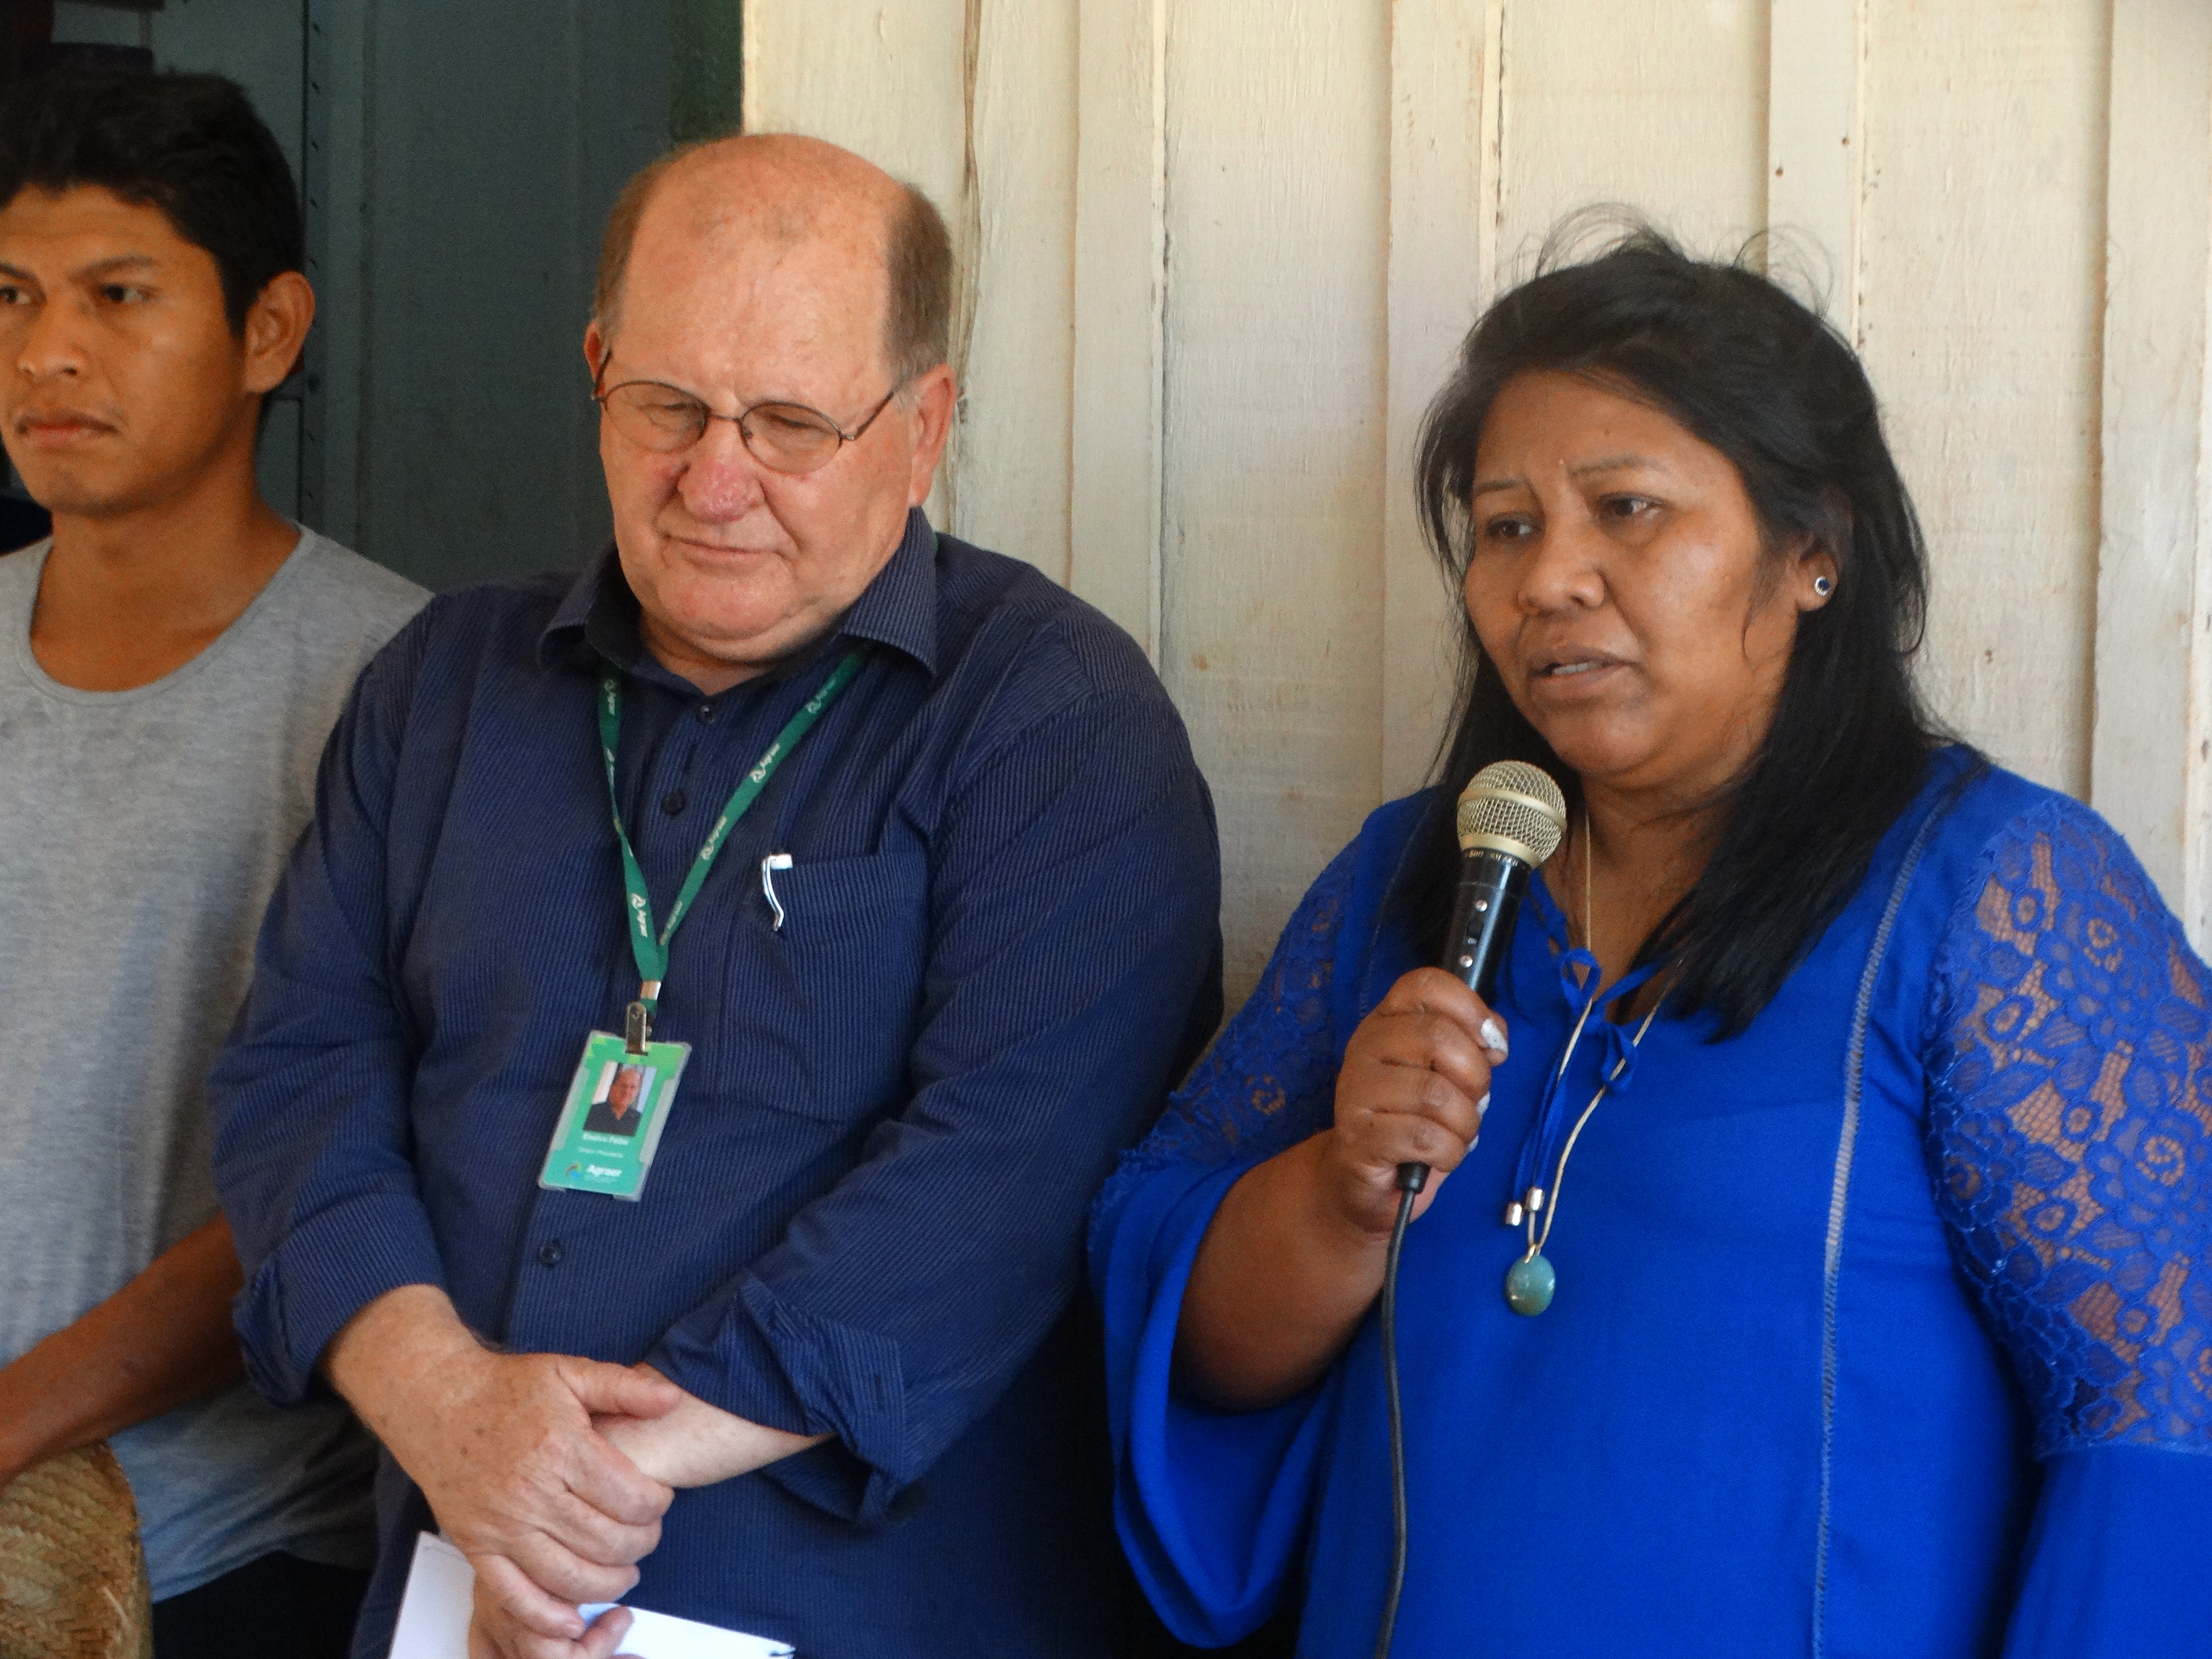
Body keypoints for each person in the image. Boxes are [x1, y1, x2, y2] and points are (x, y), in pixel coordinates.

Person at [1090, 229, 2212, 1658]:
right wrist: (1340, 1197)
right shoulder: (1411, 881)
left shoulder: (1998, 895)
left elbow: (2162, 1409)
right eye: (1506, 526)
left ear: (1814, 551)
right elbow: (1178, 1324)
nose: (1549, 578)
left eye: (1626, 509)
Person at [208, 133, 1221, 1659]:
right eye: (667, 406)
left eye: (790, 423)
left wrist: (577, 1485)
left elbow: (1009, 1167)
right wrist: (444, 1402)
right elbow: (299, 1069)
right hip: (453, 1589)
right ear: (597, 371)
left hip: (863, 1609)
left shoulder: (1053, 719)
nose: (715, 479)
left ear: (924, 425)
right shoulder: (444, 686)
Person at [0, 68, 427, 1659]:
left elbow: (343, 1162)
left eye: (119, 295)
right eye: (13, 295)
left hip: (218, 1564)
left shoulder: (406, 685)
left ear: (269, 331)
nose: (47, 350)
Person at [581, 1065, 646, 1138]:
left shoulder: (641, 1122)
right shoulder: (590, 1113)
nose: (627, 1091)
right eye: (624, 1086)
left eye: (633, 1087)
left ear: (637, 1092)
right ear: (612, 1088)